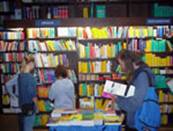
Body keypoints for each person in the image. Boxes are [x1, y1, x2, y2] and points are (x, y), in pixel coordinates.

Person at [115, 50, 155, 131]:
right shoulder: (137, 73)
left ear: (127, 62)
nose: (121, 67)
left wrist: (117, 99)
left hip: (139, 122)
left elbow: (134, 103)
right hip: (136, 120)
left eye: (121, 64)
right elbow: (134, 94)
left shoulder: (142, 76)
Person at [18, 55, 37, 131]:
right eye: (33, 64)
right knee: (28, 128)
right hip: (30, 107)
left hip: (22, 107)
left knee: (24, 127)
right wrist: (37, 107)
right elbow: (32, 95)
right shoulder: (31, 78)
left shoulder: (20, 76)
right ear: (30, 64)